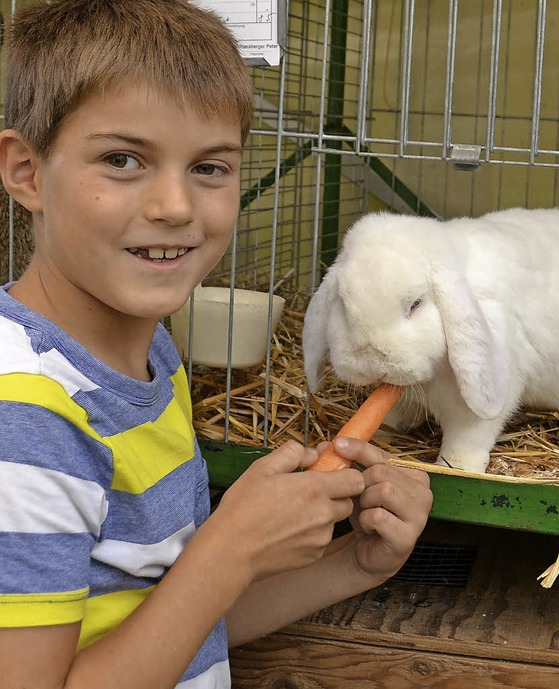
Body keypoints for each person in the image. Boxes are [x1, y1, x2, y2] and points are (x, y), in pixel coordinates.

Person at [0, 1, 433, 688]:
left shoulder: (151, 361)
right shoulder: (25, 417)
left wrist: (354, 561)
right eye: (122, 159)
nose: (175, 205)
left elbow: (177, 625)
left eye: (210, 168)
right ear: (26, 171)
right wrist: (228, 550)